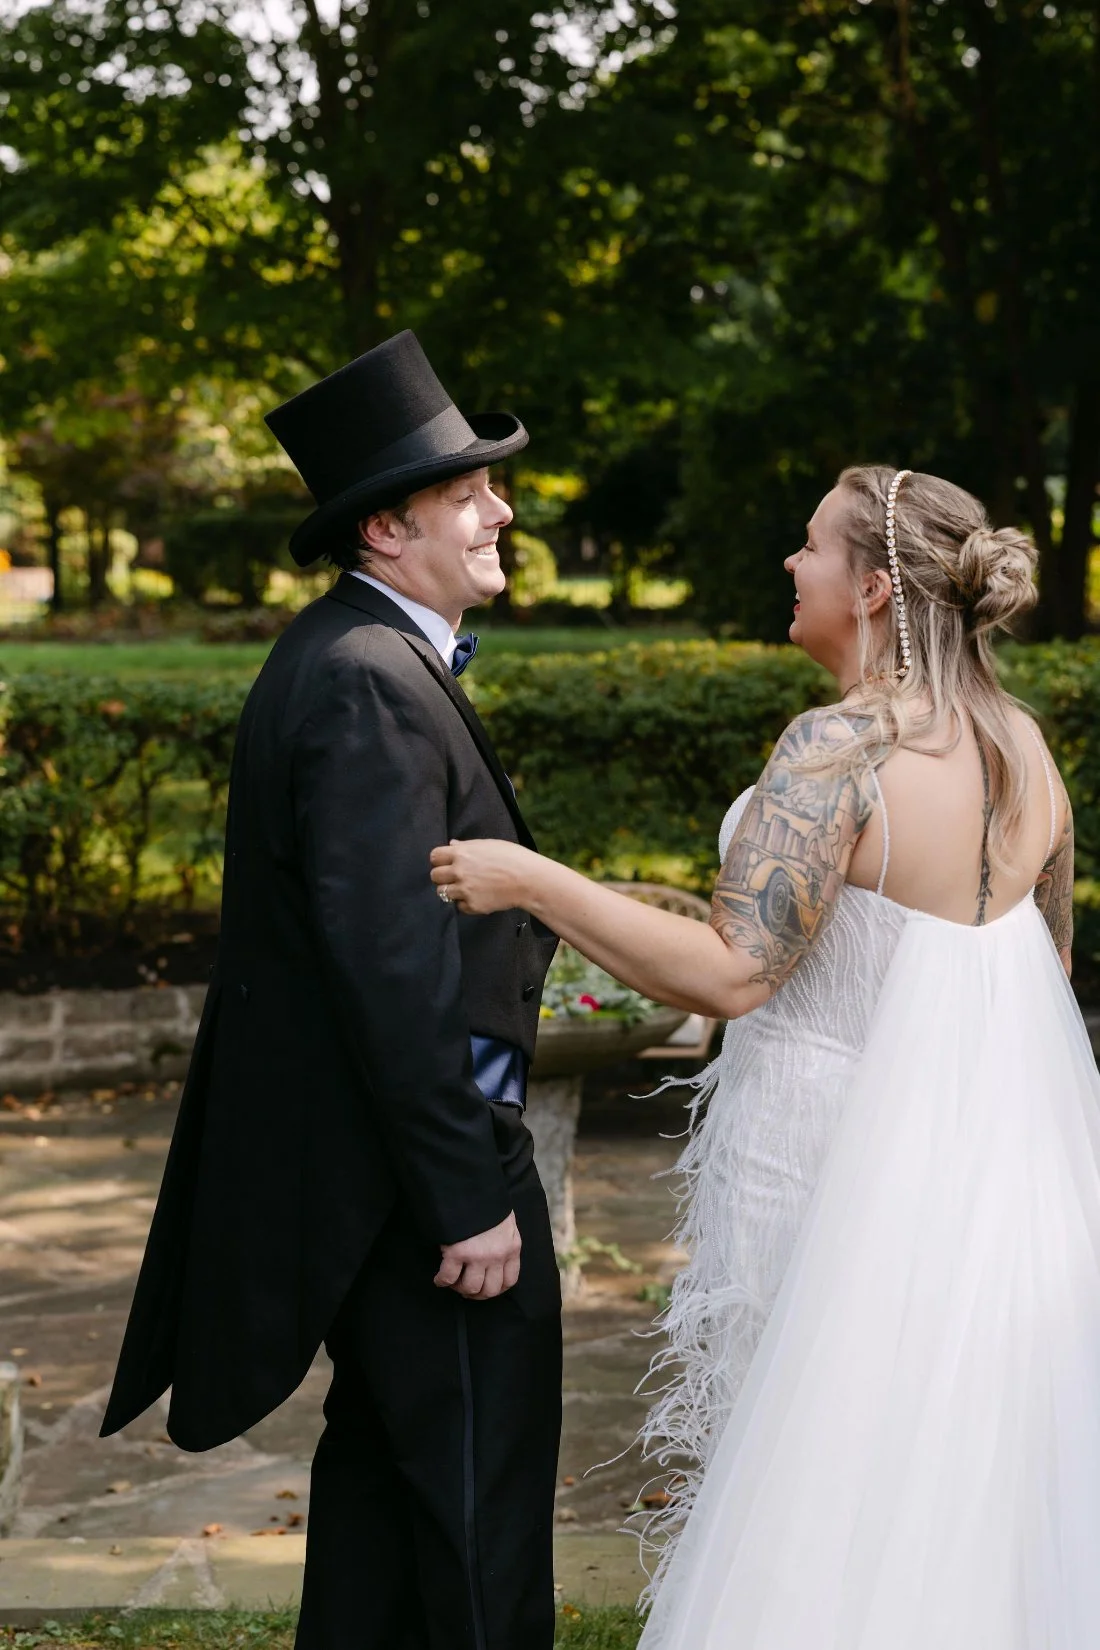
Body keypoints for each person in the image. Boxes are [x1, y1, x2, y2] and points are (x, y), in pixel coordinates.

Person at [430, 465, 1100, 1647]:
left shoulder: (838, 745)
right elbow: (1041, 971)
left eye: (807, 547)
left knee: (819, 1471)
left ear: (875, 587)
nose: (789, 566)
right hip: (991, 1178)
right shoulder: (1023, 748)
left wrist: (527, 879)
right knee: (946, 1471)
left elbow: (732, 970)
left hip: (825, 1159)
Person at [101, 331, 563, 1650]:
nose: (500, 508)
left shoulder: (362, 656)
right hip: (418, 1186)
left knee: (384, 1499)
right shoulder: (367, 683)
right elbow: (390, 968)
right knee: (475, 1511)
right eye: (468, 491)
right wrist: (468, 1196)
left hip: (383, 1177)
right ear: (384, 527)